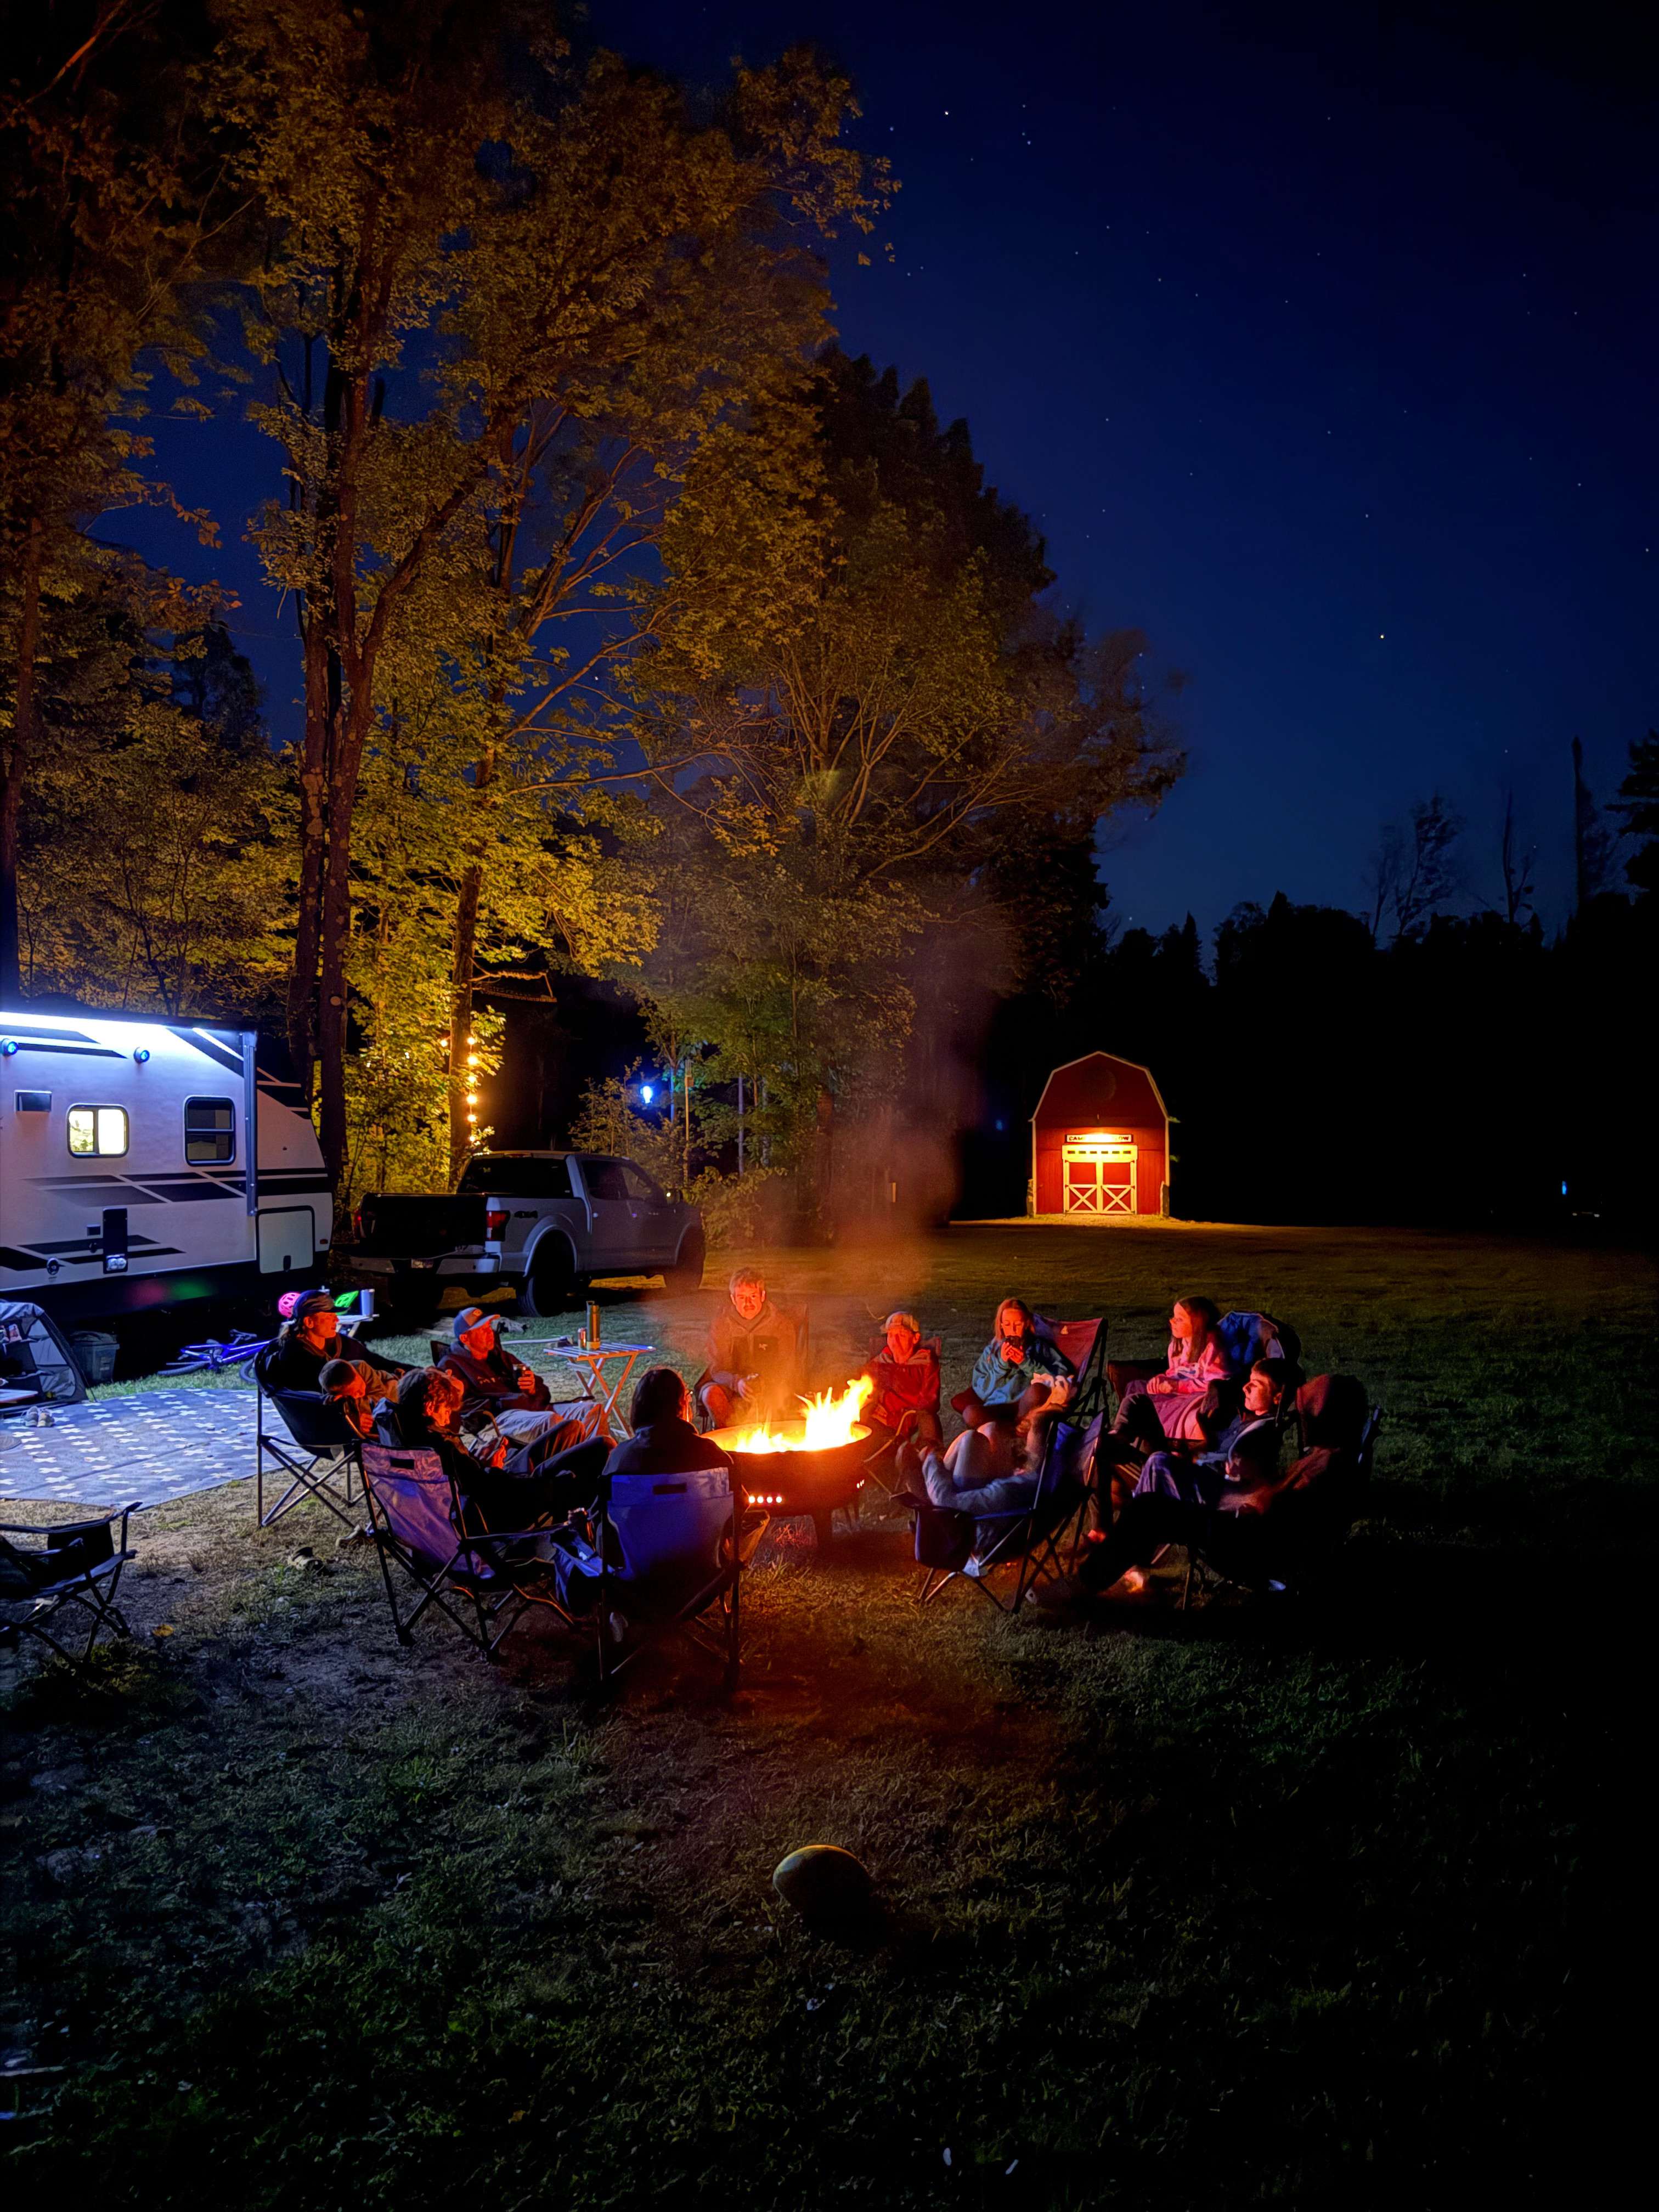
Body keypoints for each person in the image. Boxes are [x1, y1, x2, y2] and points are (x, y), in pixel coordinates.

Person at [1041, 1372, 1367, 1607]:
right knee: (1154, 1485)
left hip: (1243, 1542)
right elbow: (1277, 1500)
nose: (1303, 1418)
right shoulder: (1331, 1455)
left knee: (1150, 1508)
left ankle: (1085, 1582)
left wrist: (1244, 1499)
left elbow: (1273, 1512)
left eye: (1309, 1411)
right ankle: (1107, 1561)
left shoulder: (1326, 1465)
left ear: (1327, 1416)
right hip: (1242, 1526)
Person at [376, 1366, 607, 1526]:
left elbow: (470, 1478)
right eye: (446, 1411)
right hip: (510, 1500)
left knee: (571, 1428)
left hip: (495, 1482)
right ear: (429, 1406)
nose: (448, 1419)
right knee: (602, 1447)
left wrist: (481, 1461)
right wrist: (492, 1468)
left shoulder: (411, 1432)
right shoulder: (436, 1446)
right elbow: (488, 1491)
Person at [436, 1305, 596, 1453]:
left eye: (489, 1328)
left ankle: (602, 1467)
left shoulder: (502, 1358)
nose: (490, 1333)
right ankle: (567, 1471)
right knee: (552, 1421)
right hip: (498, 1419)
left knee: (590, 1410)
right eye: (482, 1330)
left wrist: (532, 1388)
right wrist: (508, 1402)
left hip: (532, 1409)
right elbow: (461, 1407)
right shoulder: (452, 1365)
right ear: (465, 1339)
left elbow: (542, 1389)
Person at [696, 1267, 807, 1429]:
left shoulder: (781, 1325)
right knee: (711, 1395)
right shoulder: (721, 1325)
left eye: (753, 1296)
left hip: (770, 1384)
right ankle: (729, 1443)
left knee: (778, 1394)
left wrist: (763, 1384)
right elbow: (717, 1369)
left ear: (762, 1296)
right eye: (742, 1297)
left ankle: (768, 1442)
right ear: (733, 1299)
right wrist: (737, 1383)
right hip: (730, 1385)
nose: (748, 1303)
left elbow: (786, 1367)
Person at [260, 1290, 407, 1397]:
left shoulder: (338, 1344)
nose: (336, 1321)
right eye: (329, 1317)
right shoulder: (295, 1356)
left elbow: (377, 1361)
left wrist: (417, 1372)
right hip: (332, 1421)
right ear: (309, 1322)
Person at [955, 1297, 1071, 1426]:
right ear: (1001, 1325)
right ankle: (1007, 1428)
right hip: (998, 1406)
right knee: (970, 1413)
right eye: (1008, 1324)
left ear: (1027, 1324)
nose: (1013, 1330)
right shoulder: (992, 1351)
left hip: (1025, 1405)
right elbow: (981, 1391)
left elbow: (1060, 1375)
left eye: (1018, 1324)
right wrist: (1001, 1365)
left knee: (1037, 1390)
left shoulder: (1039, 1347)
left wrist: (1025, 1363)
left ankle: (1019, 1425)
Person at [605, 1367, 735, 1479]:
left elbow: (600, 1506)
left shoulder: (620, 1458)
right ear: (681, 1405)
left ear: (638, 1408)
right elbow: (740, 1503)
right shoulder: (713, 1455)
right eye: (687, 1397)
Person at [861, 1311, 943, 1455]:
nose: (895, 1340)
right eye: (891, 1335)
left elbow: (930, 1401)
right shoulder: (879, 1363)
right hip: (883, 1420)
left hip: (916, 1417)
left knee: (929, 1421)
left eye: (902, 1335)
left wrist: (894, 1401)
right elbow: (864, 1392)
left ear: (915, 1338)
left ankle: (930, 1465)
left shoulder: (925, 1363)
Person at [317, 1356, 382, 1440]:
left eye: (360, 1387)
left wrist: (358, 1414)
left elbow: (380, 1397)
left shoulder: (361, 1367)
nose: (360, 1393)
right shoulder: (332, 1386)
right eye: (354, 1394)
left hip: (389, 1387)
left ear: (357, 1374)